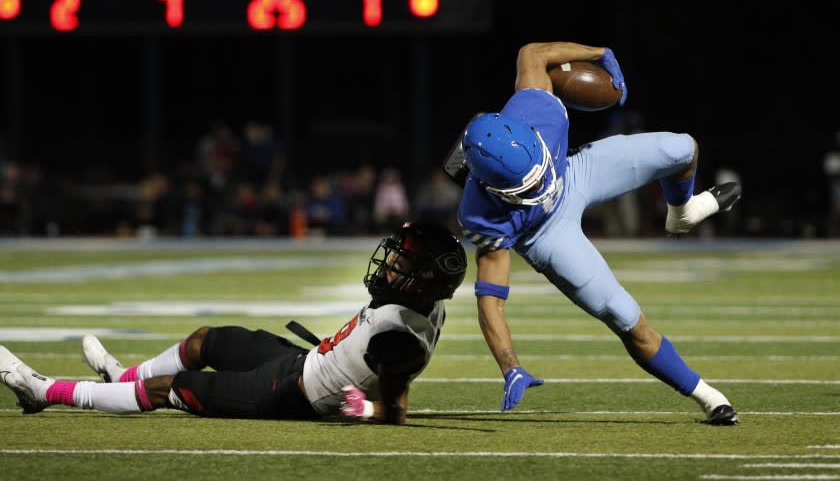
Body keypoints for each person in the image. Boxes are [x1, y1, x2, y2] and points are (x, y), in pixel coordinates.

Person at [454, 41, 742, 425]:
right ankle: (709, 397)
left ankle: (684, 214)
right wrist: (511, 367)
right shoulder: (482, 215)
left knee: (682, 149)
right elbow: (490, 301)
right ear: (495, 190)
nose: (539, 186)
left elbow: (531, 53)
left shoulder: (538, 111)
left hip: (575, 173)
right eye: (527, 187)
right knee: (624, 316)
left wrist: (598, 52)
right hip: (545, 234)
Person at [0, 221, 467, 425]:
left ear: (424, 282)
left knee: (173, 387)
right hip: (307, 362)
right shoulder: (427, 302)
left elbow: (397, 412)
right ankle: (120, 378)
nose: (388, 267)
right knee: (208, 340)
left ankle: (43, 392)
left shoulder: (400, 338)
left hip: (293, 395)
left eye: (402, 264)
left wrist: (364, 409)